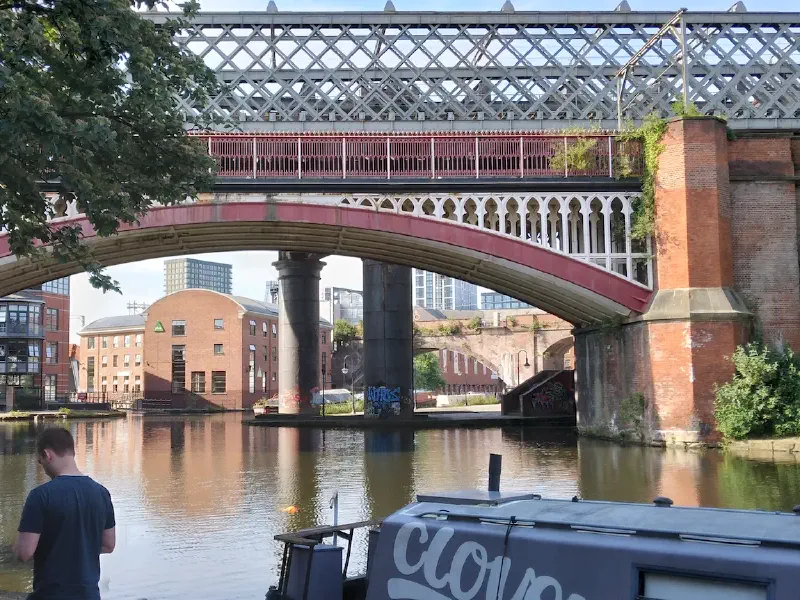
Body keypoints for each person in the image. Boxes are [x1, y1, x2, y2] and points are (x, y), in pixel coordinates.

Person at [12, 427, 115, 599]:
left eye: (40, 461)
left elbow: (25, 553)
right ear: (71, 452)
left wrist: (17, 548)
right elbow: (108, 545)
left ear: (47, 454)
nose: (42, 467)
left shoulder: (41, 495)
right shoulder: (102, 493)